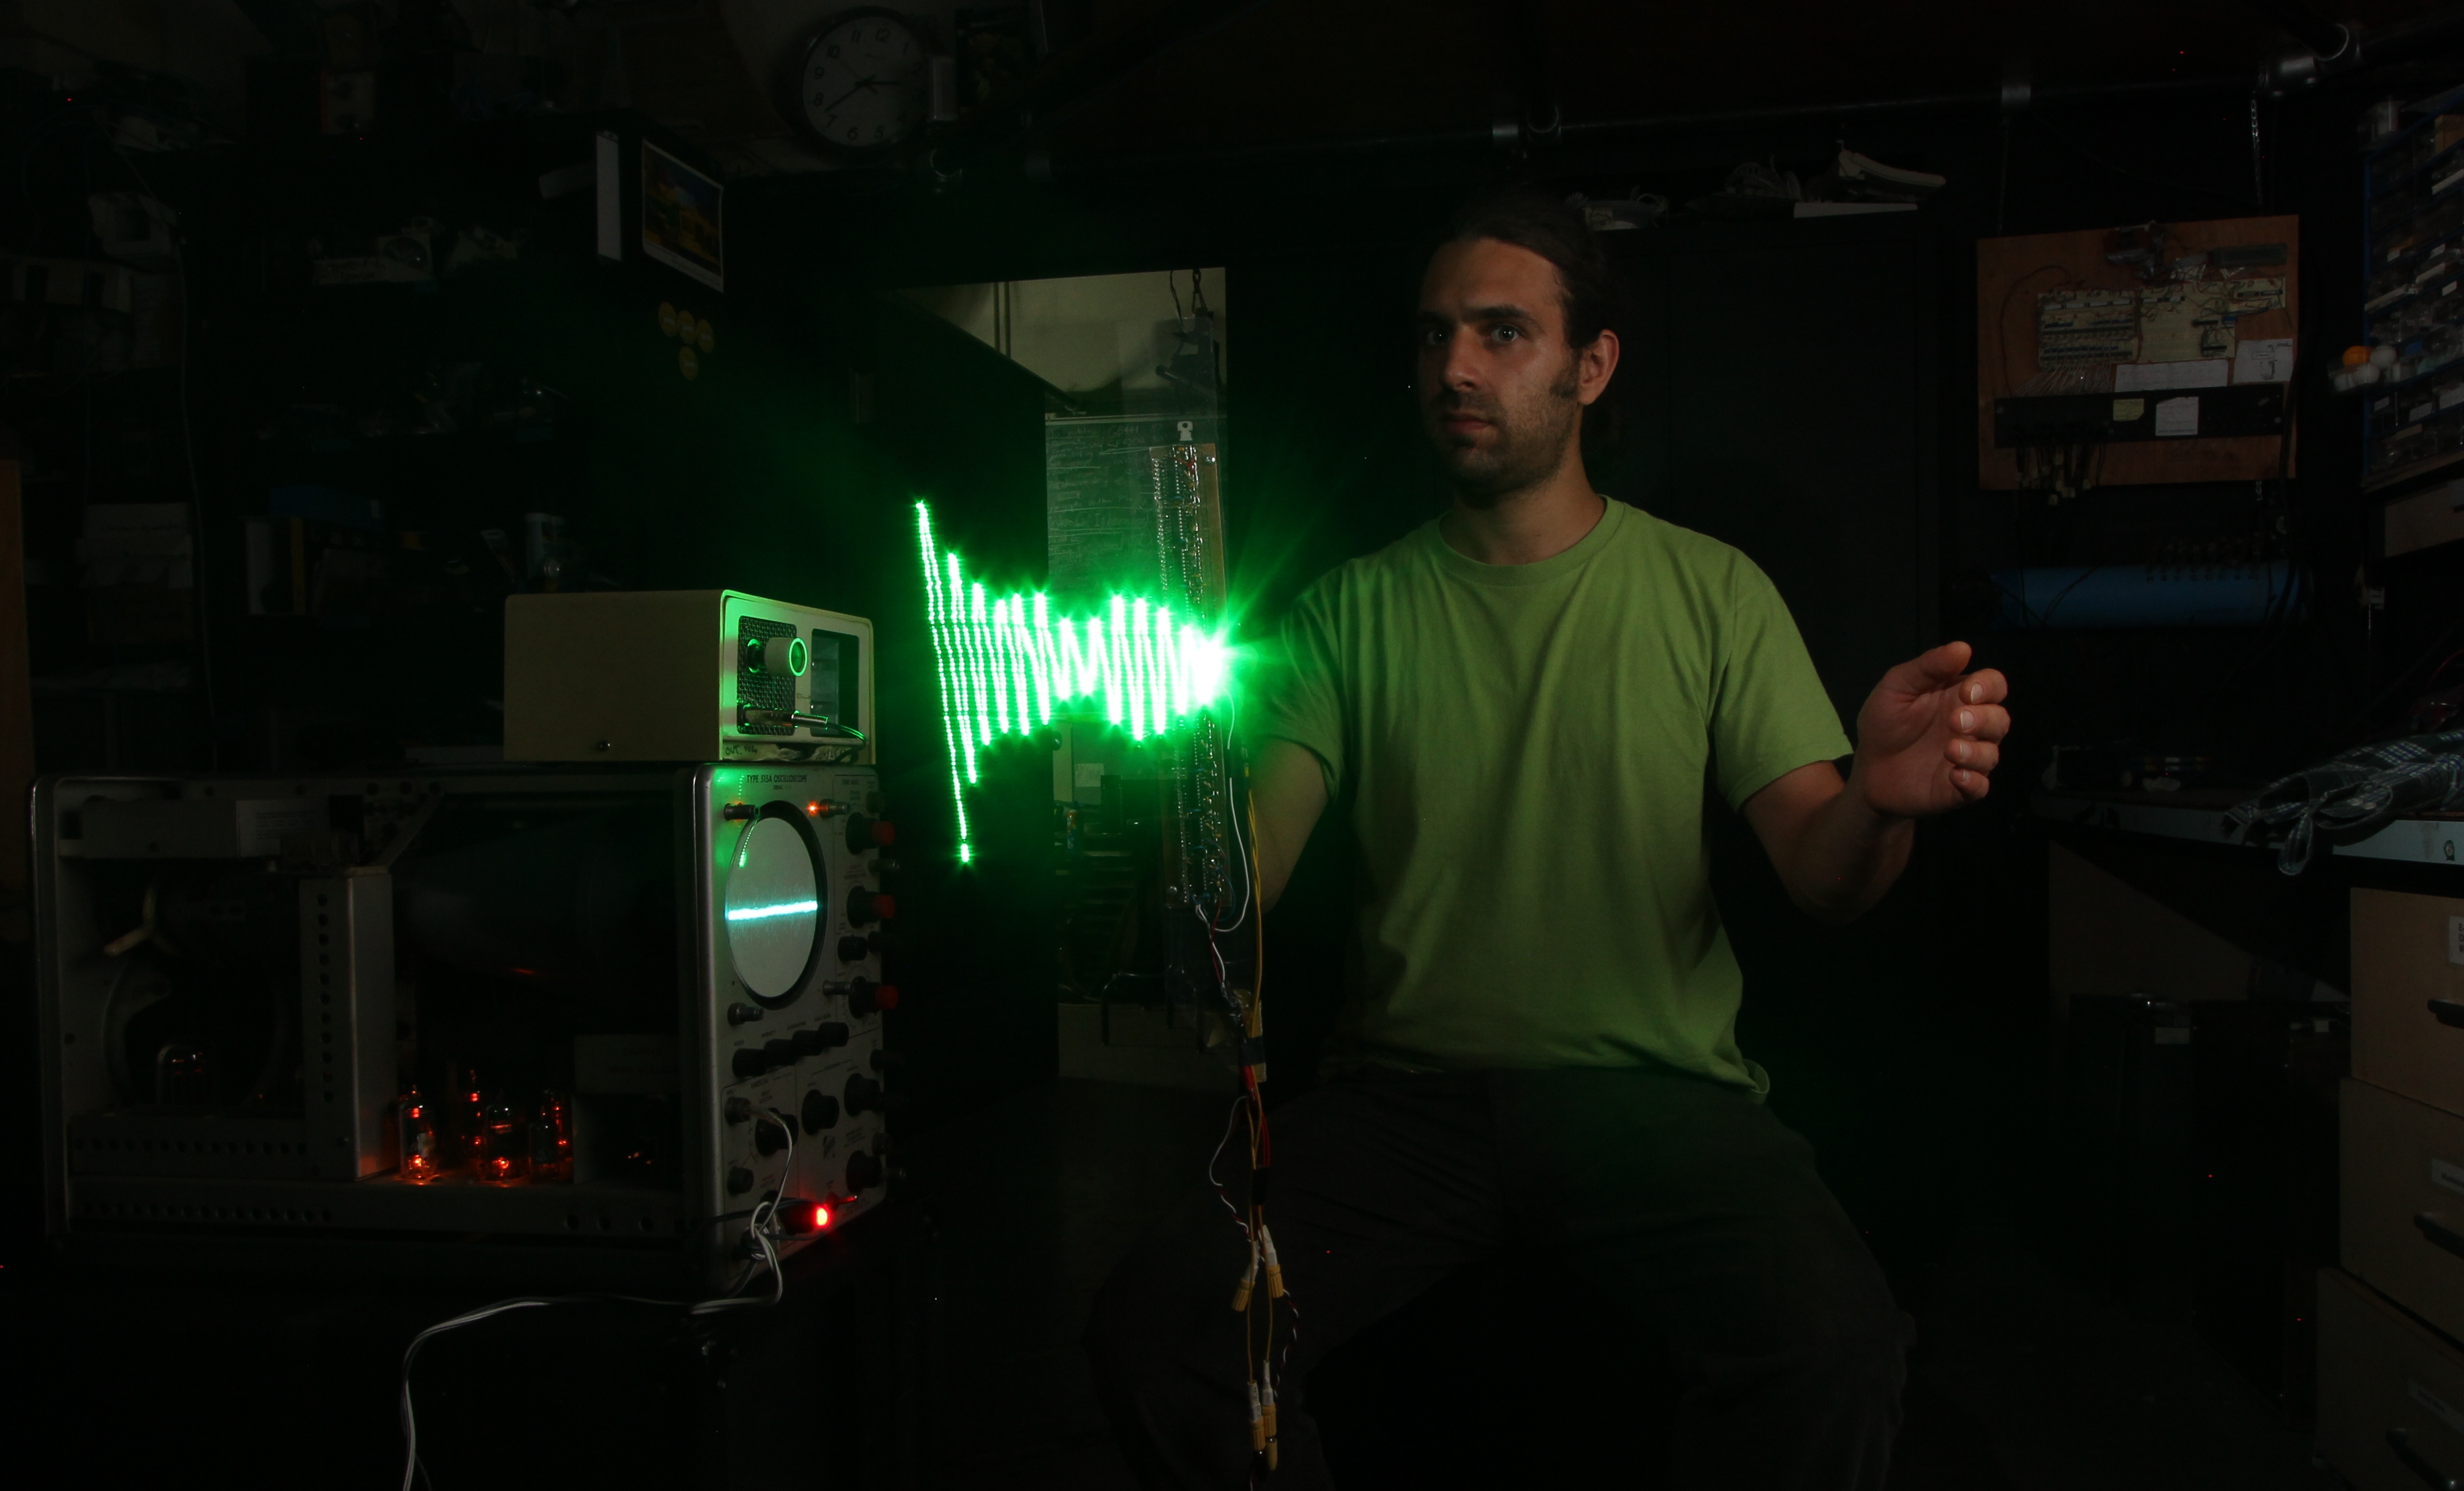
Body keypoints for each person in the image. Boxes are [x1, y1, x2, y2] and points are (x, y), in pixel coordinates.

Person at [1085, 185, 2010, 1490]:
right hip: (1405, 1103)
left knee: (1837, 1346)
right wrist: (1171, 789)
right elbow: (1256, 867)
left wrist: (1876, 802)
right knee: (1164, 1323)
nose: (1454, 366)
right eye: (1434, 334)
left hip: (1659, 1099)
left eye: (1502, 332)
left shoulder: (1710, 591)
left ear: (1592, 365)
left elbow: (1824, 873)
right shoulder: (1347, 611)